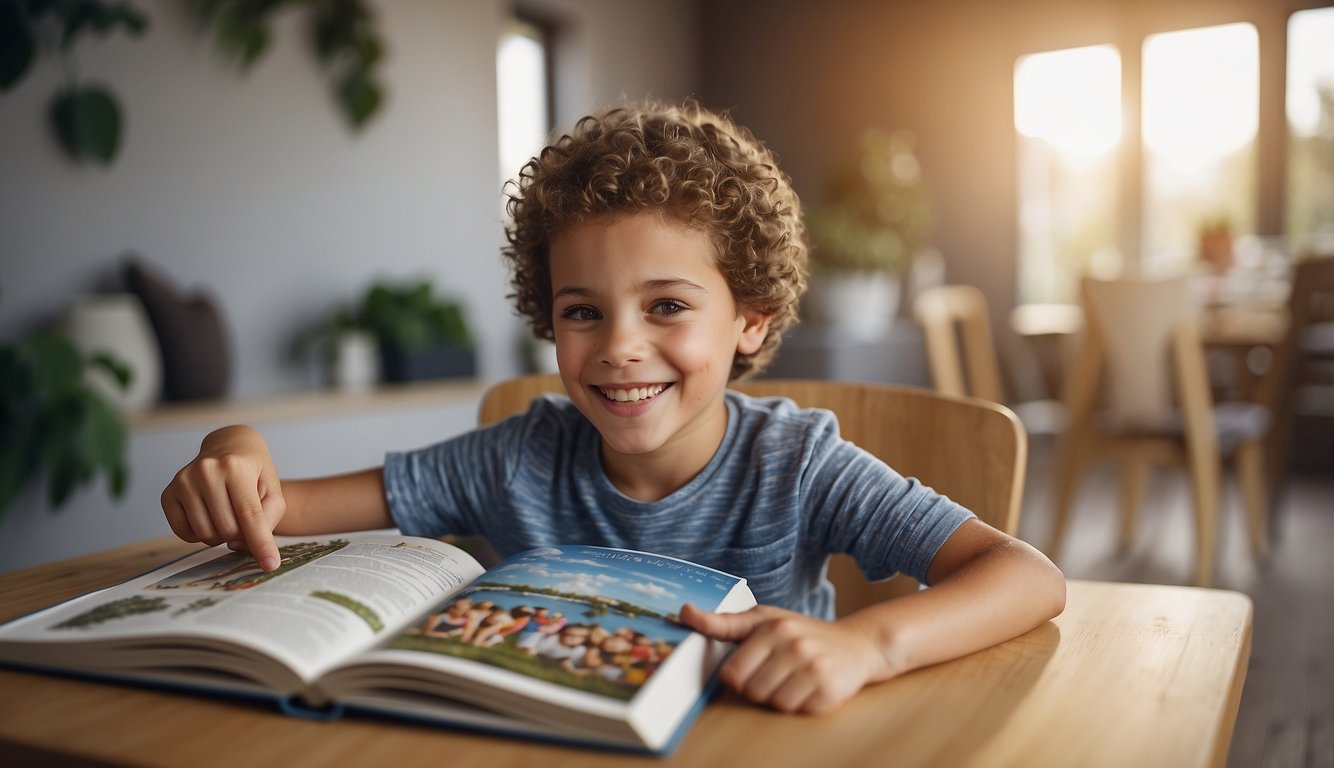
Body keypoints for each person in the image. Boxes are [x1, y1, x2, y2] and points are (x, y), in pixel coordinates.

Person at [160, 99, 1065, 715]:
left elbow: (1028, 576)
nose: (620, 345)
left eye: (667, 306)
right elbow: (283, 507)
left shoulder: (799, 464)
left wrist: (870, 648)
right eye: (583, 312)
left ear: (751, 317)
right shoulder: (512, 458)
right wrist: (230, 445)